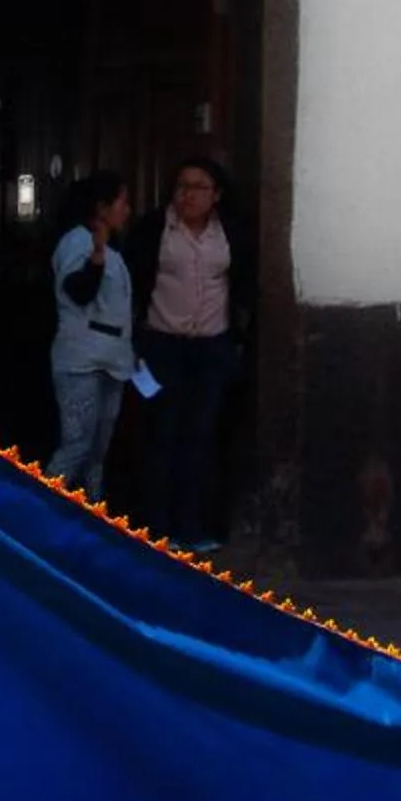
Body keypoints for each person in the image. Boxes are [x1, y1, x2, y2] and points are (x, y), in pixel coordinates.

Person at [126, 155, 245, 550]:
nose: (188, 195)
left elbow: (243, 282)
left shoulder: (228, 232)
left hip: (211, 346)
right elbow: (134, 280)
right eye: (182, 186)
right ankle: (159, 529)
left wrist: (237, 339)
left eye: (198, 187)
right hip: (163, 345)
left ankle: (194, 527)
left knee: (202, 436)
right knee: (163, 434)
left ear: (216, 195)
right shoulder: (154, 229)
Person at [48, 170, 137, 498]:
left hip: (112, 358)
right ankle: (41, 512)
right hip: (83, 359)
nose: (127, 210)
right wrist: (96, 258)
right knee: (76, 446)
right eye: (122, 202)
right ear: (102, 208)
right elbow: (78, 289)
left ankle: (93, 516)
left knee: (97, 451)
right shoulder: (78, 241)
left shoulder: (113, 250)